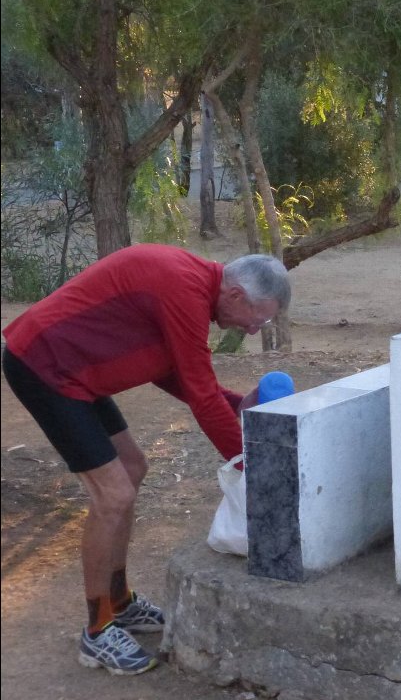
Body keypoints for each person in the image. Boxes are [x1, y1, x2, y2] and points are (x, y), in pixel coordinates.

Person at [1, 245, 291, 674]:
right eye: (258, 318)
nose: (254, 330)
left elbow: (175, 372)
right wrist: (251, 469)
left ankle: (119, 601)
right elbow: (199, 395)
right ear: (233, 295)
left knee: (133, 468)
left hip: (76, 373)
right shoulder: (183, 290)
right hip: (46, 367)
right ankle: (97, 631)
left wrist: (234, 405)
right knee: (113, 494)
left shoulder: (195, 290)